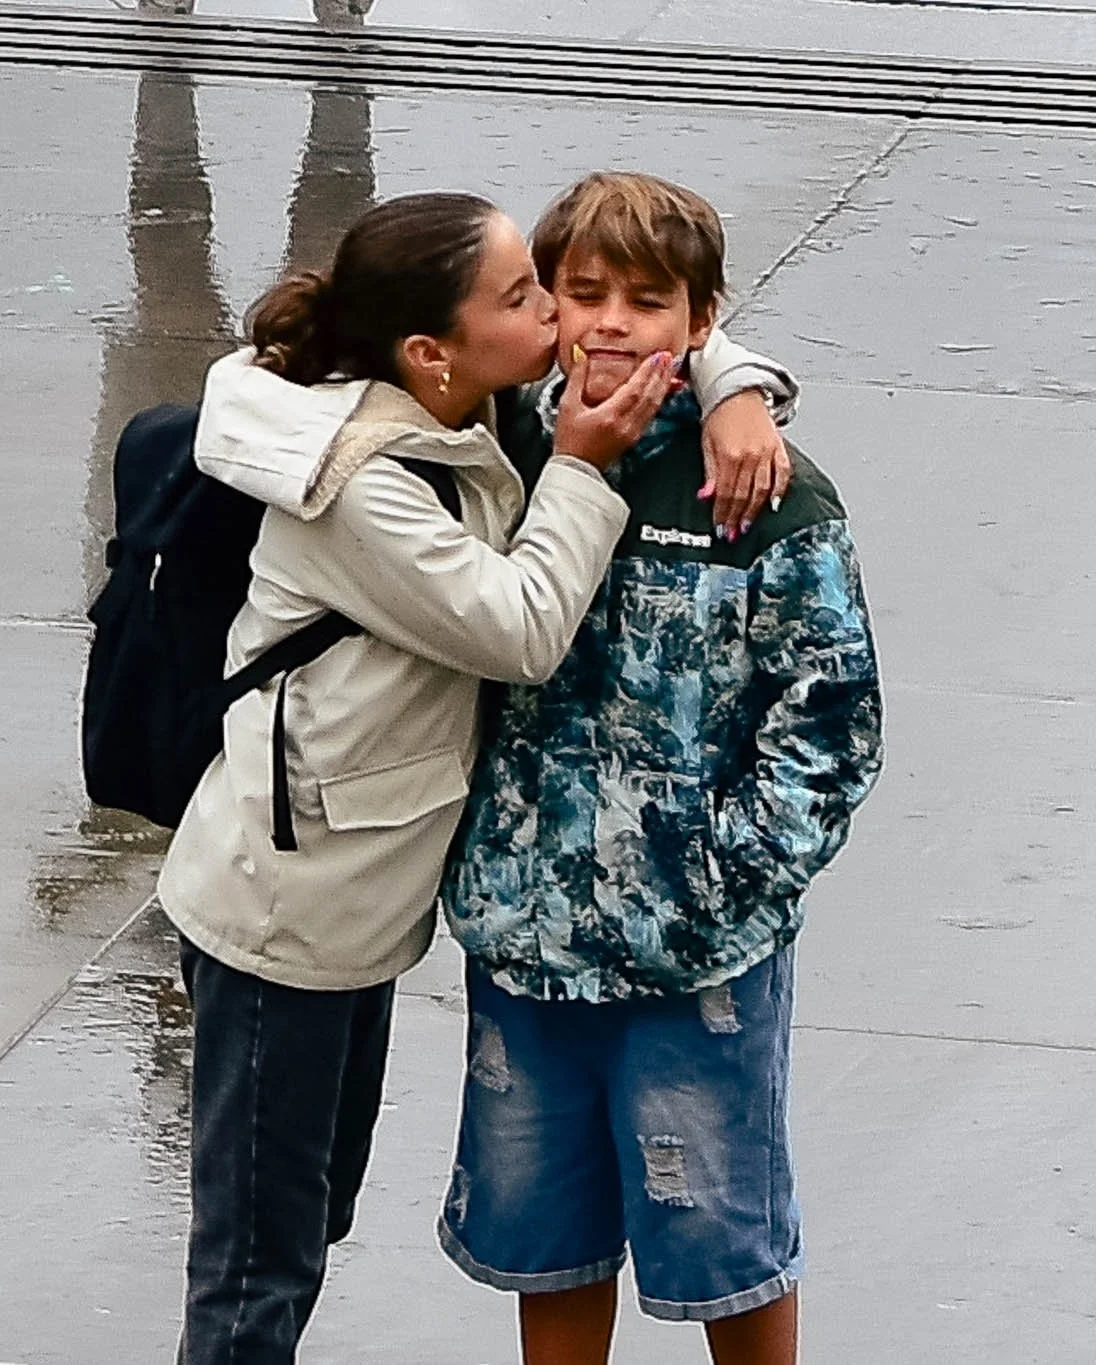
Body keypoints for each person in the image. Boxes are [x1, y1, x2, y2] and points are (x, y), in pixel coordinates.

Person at [155, 190, 798, 1365]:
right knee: (257, 1263)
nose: (561, 313)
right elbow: (517, 629)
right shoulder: (358, 486)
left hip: (354, 907)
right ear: (428, 347)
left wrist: (734, 385)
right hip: (277, 920)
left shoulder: (457, 394)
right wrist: (582, 465)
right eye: (525, 296)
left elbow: (665, 301)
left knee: (308, 1218)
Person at [438, 172, 884, 1364]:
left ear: (698, 318)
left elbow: (831, 716)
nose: (613, 322)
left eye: (649, 299)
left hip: (696, 961)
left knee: (726, 1245)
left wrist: (728, 876)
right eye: (582, 293)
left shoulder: (761, 490)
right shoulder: (498, 447)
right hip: (525, 938)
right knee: (545, 1239)